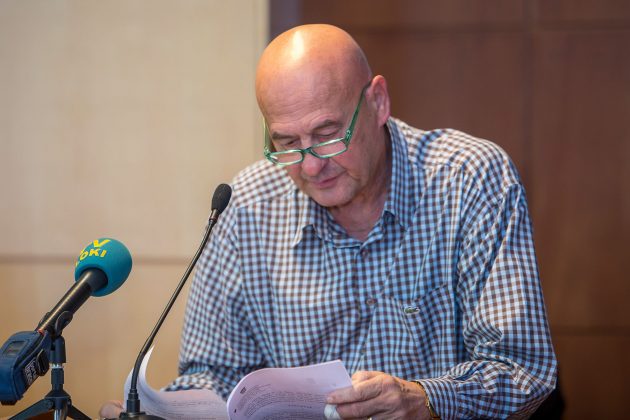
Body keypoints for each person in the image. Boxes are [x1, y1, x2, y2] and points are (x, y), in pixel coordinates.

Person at [102, 24, 557, 419]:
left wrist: (426, 400)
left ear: (378, 102)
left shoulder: (469, 180)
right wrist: (160, 412)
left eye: (326, 134)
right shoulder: (247, 207)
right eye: (287, 143)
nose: (311, 165)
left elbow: (522, 369)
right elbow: (215, 377)